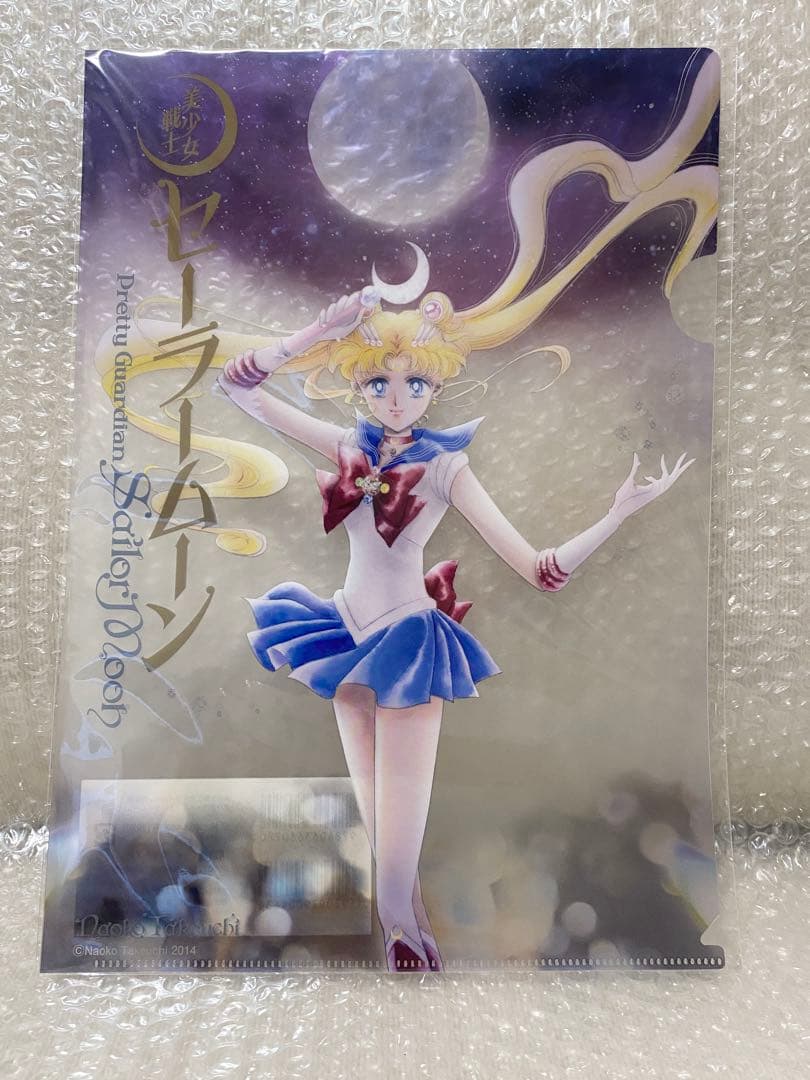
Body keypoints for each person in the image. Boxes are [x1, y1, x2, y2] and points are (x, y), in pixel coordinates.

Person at [215, 284, 693, 972]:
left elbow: (541, 570)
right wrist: (317, 329)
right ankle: (409, 942)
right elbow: (238, 387)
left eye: (414, 382)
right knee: (379, 825)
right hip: (344, 631)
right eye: (379, 381)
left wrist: (617, 515)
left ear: (436, 387)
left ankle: (404, 939)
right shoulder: (348, 445)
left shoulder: (446, 466)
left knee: (398, 831)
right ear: (359, 385)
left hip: (409, 643)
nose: (397, 396)